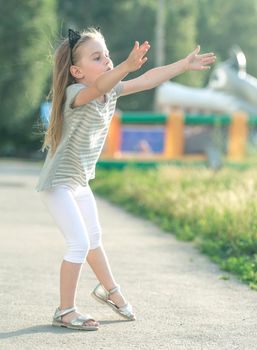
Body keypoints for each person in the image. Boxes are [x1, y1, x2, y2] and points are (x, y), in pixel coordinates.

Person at [35, 27, 216, 331]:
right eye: (97, 57)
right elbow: (102, 85)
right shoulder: (76, 93)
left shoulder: (110, 90)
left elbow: (147, 80)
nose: (107, 61)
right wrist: (124, 67)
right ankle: (65, 310)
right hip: (57, 185)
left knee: (94, 239)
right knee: (78, 243)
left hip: (78, 182)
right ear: (77, 71)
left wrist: (182, 65)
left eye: (107, 55)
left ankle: (111, 291)